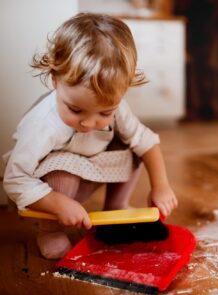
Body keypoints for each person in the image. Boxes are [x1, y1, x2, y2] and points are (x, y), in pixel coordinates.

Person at [3, 13, 178, 259]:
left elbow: (147, 143)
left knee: (133, 149)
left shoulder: (118, 109)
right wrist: (57, 203)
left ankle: (116, 207)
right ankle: (50, 229)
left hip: (93, 167)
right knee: (61, 176)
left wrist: (161, 187)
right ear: (55, 79)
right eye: (75, 109)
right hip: (56, 185)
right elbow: (14, 178)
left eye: (105, 112)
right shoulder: (43, 125)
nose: (88, 123)